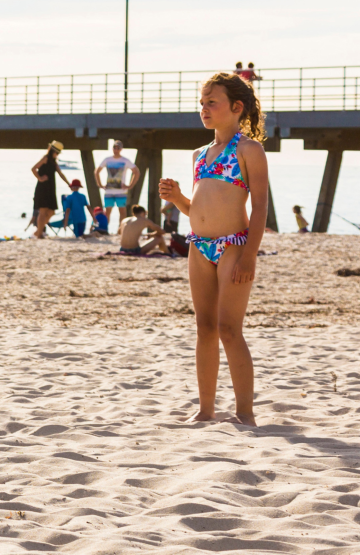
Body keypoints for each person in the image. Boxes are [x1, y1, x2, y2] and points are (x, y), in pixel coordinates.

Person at [158, 72, 271, 426]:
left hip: (234, 246)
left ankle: (244, 413)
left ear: (236, 107)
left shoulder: (249, 150)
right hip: (199, 246)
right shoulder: (199, 155)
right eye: (202, 103)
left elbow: (261, 207)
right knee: (204, 328)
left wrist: (251, 254)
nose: (204, 109)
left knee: (229, 329)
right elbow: (200, 212)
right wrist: (178, 199)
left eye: (212, 102)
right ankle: (206, 410)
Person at [29, 141, 69, 239]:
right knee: (42, 212)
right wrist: (40, 178)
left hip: (51, 189)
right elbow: (34, 168)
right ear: (52, 151)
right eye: (57, 152)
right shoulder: (45, 158)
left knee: (51, 212)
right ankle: (38, 234)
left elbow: (61, 174)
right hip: (42, 188)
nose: (57, 154)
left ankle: (37, 233)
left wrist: (69, 184)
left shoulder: (54, 162)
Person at [96, 141, 140, 229]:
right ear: (112, 148)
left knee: (122, 212)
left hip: (121, 191)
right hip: (109, 190)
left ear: (121, 149)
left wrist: (130, 185)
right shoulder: (107, 160)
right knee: (107, 211)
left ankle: (121, 230)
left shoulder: (125, 160)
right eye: (114, 148)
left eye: (118, 148)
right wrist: (100, 184)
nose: (116, 150)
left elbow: (136, 172)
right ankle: (105, 229)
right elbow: (97, 172)